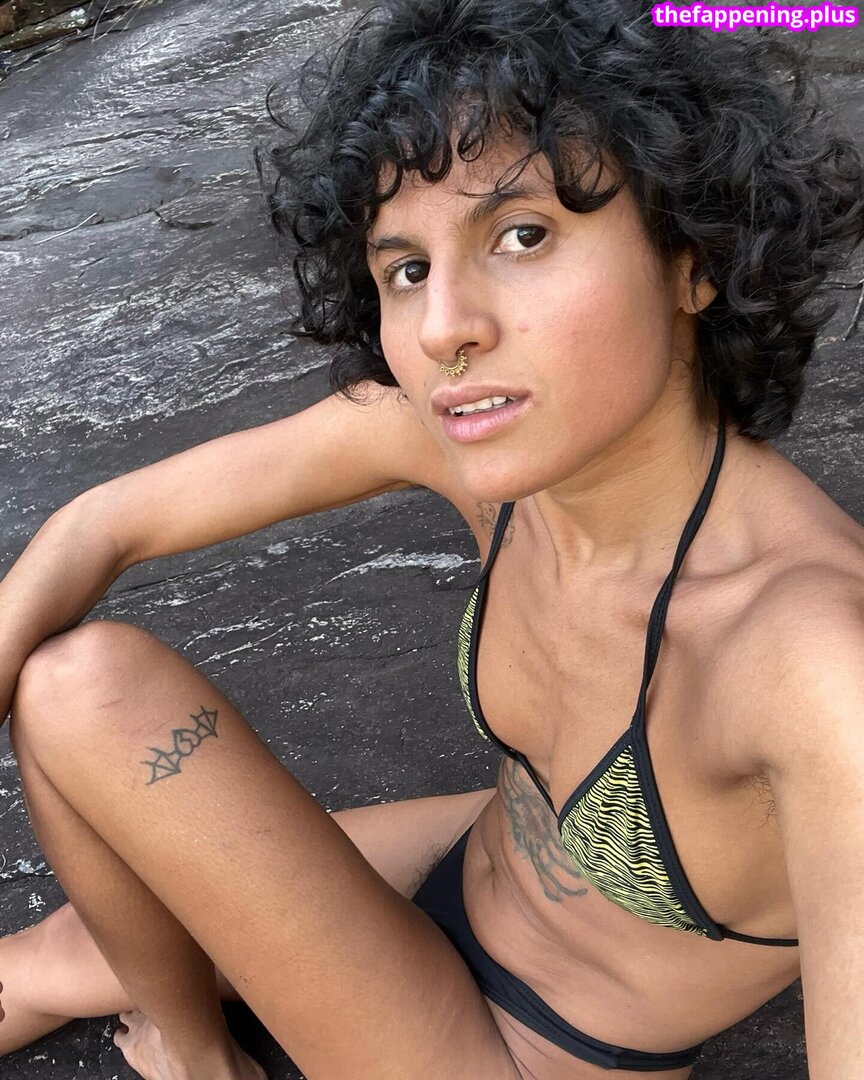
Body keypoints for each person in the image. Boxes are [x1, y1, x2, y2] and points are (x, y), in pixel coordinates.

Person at [2, 0, 864, 1077]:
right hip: (468, 868)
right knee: (59, 815)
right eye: (406, 268)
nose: (446, 328)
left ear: (694, 259)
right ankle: (196, 1046)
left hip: (533, 1052)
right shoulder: (477, 446)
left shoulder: (817, 667)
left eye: (523, 235)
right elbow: (98, 525)